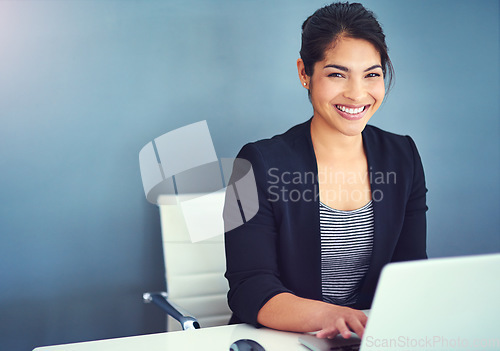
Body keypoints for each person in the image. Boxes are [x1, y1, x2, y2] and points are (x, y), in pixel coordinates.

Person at [223, 1, 427, 340]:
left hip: (370, 339)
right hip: (283, 339)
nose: (357, 93)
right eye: (337, 74)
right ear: (305, 73)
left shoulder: (402, 156)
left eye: (372, 75)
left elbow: (410, 271)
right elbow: (249, 286)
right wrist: (330, 316)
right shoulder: (255, 163)